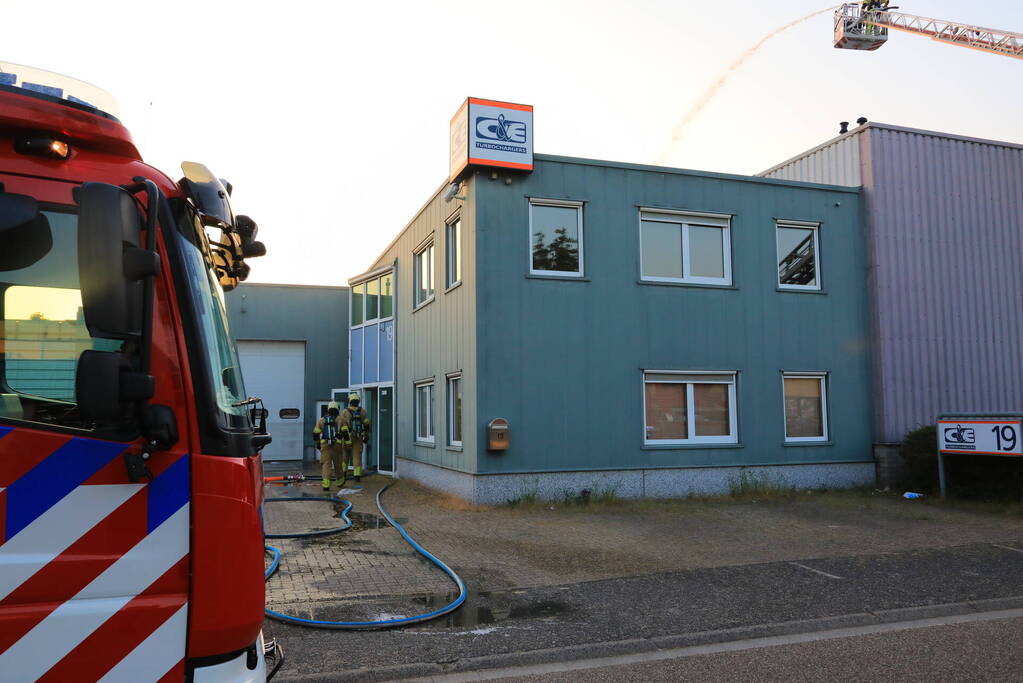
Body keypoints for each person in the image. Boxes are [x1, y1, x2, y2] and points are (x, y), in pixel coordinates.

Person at [313, 401, 344, 491]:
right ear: (337, 409)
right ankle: (340, 482)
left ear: (328, 409)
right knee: (338, 464)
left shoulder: (321, 420)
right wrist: (347, 442)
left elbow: (315, 434)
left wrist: (318, 444)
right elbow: (345, 433)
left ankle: (326, 484)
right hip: (337, 444)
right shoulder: (341, 419)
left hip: (325, 444)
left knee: (326, 465)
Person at [340, 392, 371, 483]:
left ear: (350, 401)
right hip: (358, 436)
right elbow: (366, 424)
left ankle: (343, 474)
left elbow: (342, 425)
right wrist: (366, 435)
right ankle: (357, 476)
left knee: (345, 456)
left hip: (347, 437)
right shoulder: (363, 411)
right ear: (358, 401)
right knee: (357, 456)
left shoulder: (345, 411)